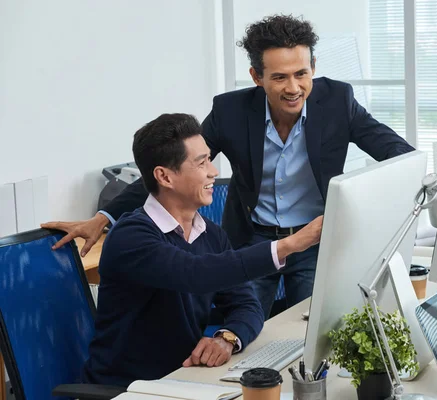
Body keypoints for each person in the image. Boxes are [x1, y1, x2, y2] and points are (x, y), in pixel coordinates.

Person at [42, 14, 414, 319]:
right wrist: (104, 215)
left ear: (313, 67)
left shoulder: (338, 102)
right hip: (250, 238)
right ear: (256, 77)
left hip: (313, 240)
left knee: (310, 334)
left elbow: (396, 153)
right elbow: (175, 169)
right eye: (280, 77)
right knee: (248, 329)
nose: (294, 87)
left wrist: (392, 196)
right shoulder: (231, 111)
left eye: (302, 73)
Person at [81, 113, 322, 387]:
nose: (213, 171)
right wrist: (291, 244)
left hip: (185, 381)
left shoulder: (209, 233)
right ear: (164, 176)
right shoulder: (131, 237)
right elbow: (195, 274)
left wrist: (228, 337)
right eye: (201, 163)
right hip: (128, 389)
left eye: (209, 159)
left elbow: (246, 303)